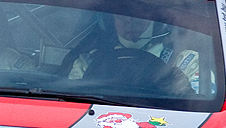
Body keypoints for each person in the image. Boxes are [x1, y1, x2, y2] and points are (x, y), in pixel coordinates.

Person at [66, 13, 197, 94]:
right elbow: (73, 97)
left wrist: (184, 90)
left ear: (155, 22)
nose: (131, 23)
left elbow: (198, 105)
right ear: (110, 22)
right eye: (122, 18)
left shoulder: (185, 61)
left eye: (139, 18)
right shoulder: (88, 61)